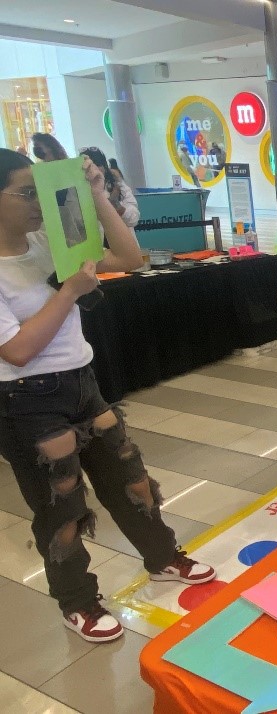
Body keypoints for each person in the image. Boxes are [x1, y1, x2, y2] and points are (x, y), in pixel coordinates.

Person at [0, 149, 216, 643]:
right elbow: (16, 350)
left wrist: (97, 194)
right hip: (25, 400)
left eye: (40, 189)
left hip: (81, 381)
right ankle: (77, 602)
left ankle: (163, 557)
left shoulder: (44, 240)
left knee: (130, 477)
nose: (38, 202)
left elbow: (128, 257)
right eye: (25, 192)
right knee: (62, 508)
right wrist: (70, 291)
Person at [81, 147, 139, 229]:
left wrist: (115, 204)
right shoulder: (76, 192)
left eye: (97, 164)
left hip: (121, 239)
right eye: (88, 166)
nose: (93, 169)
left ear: (105, 167)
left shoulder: (118, 185)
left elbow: (133, 219)